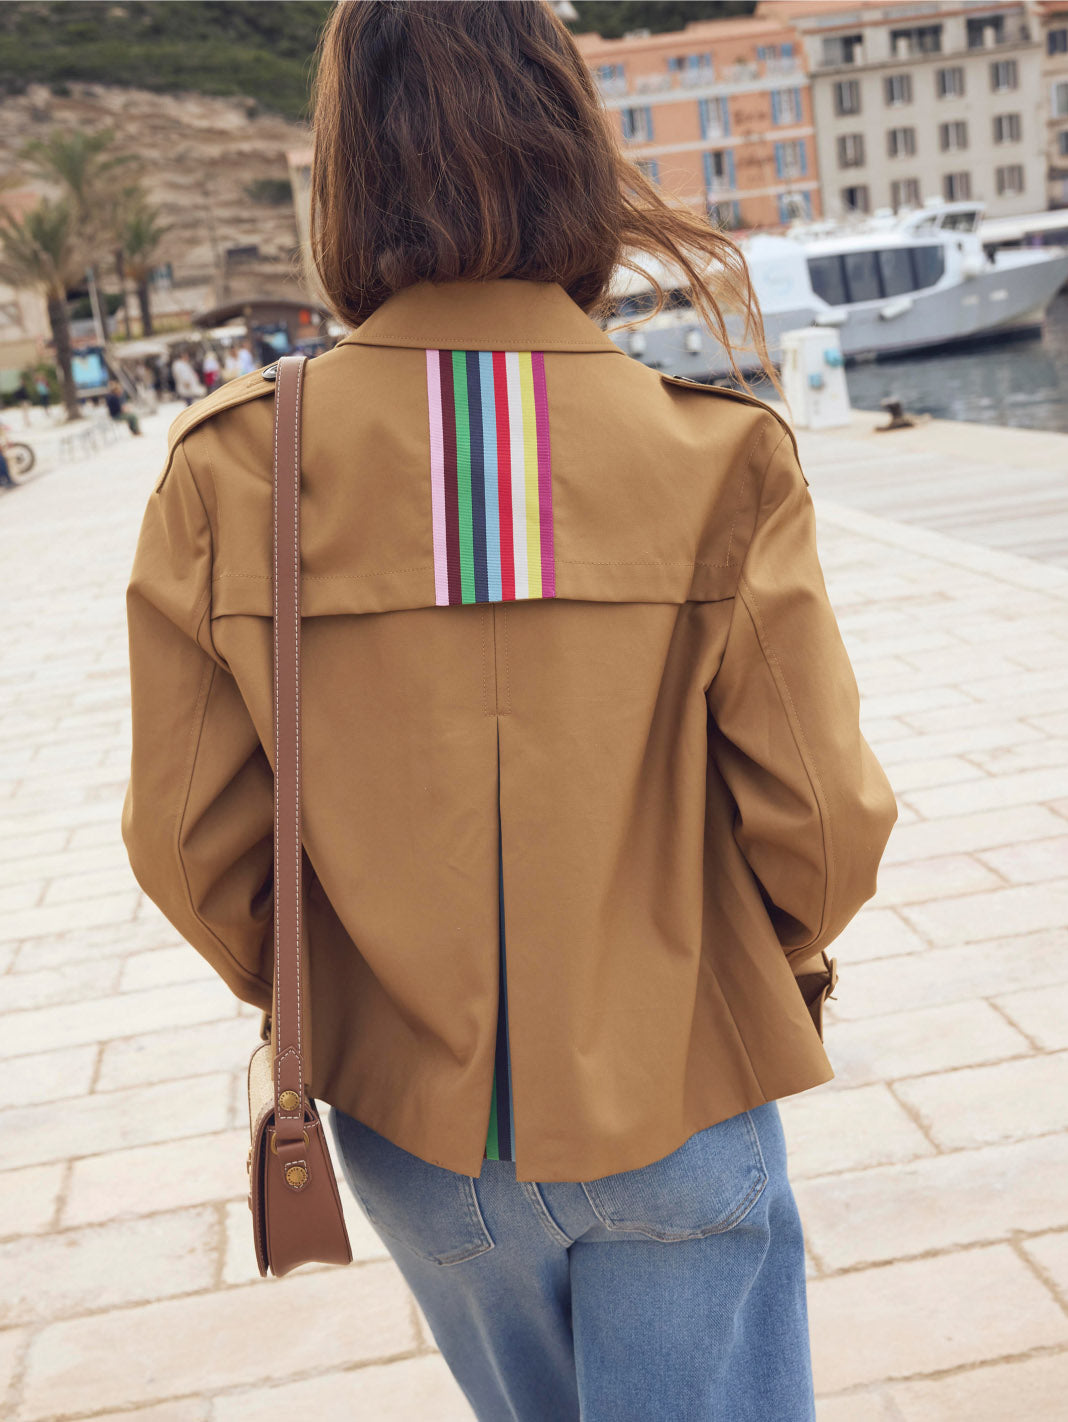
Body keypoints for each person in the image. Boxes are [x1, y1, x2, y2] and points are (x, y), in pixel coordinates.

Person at [121, 4, 897, 1418]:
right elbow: (829, 821)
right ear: (569, 150)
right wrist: (739, 963)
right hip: (677, 1089)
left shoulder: (231, 470)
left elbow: (185, 841)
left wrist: (348, 994)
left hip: (415, 1138)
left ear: (345, 167)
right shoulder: (715, 452)